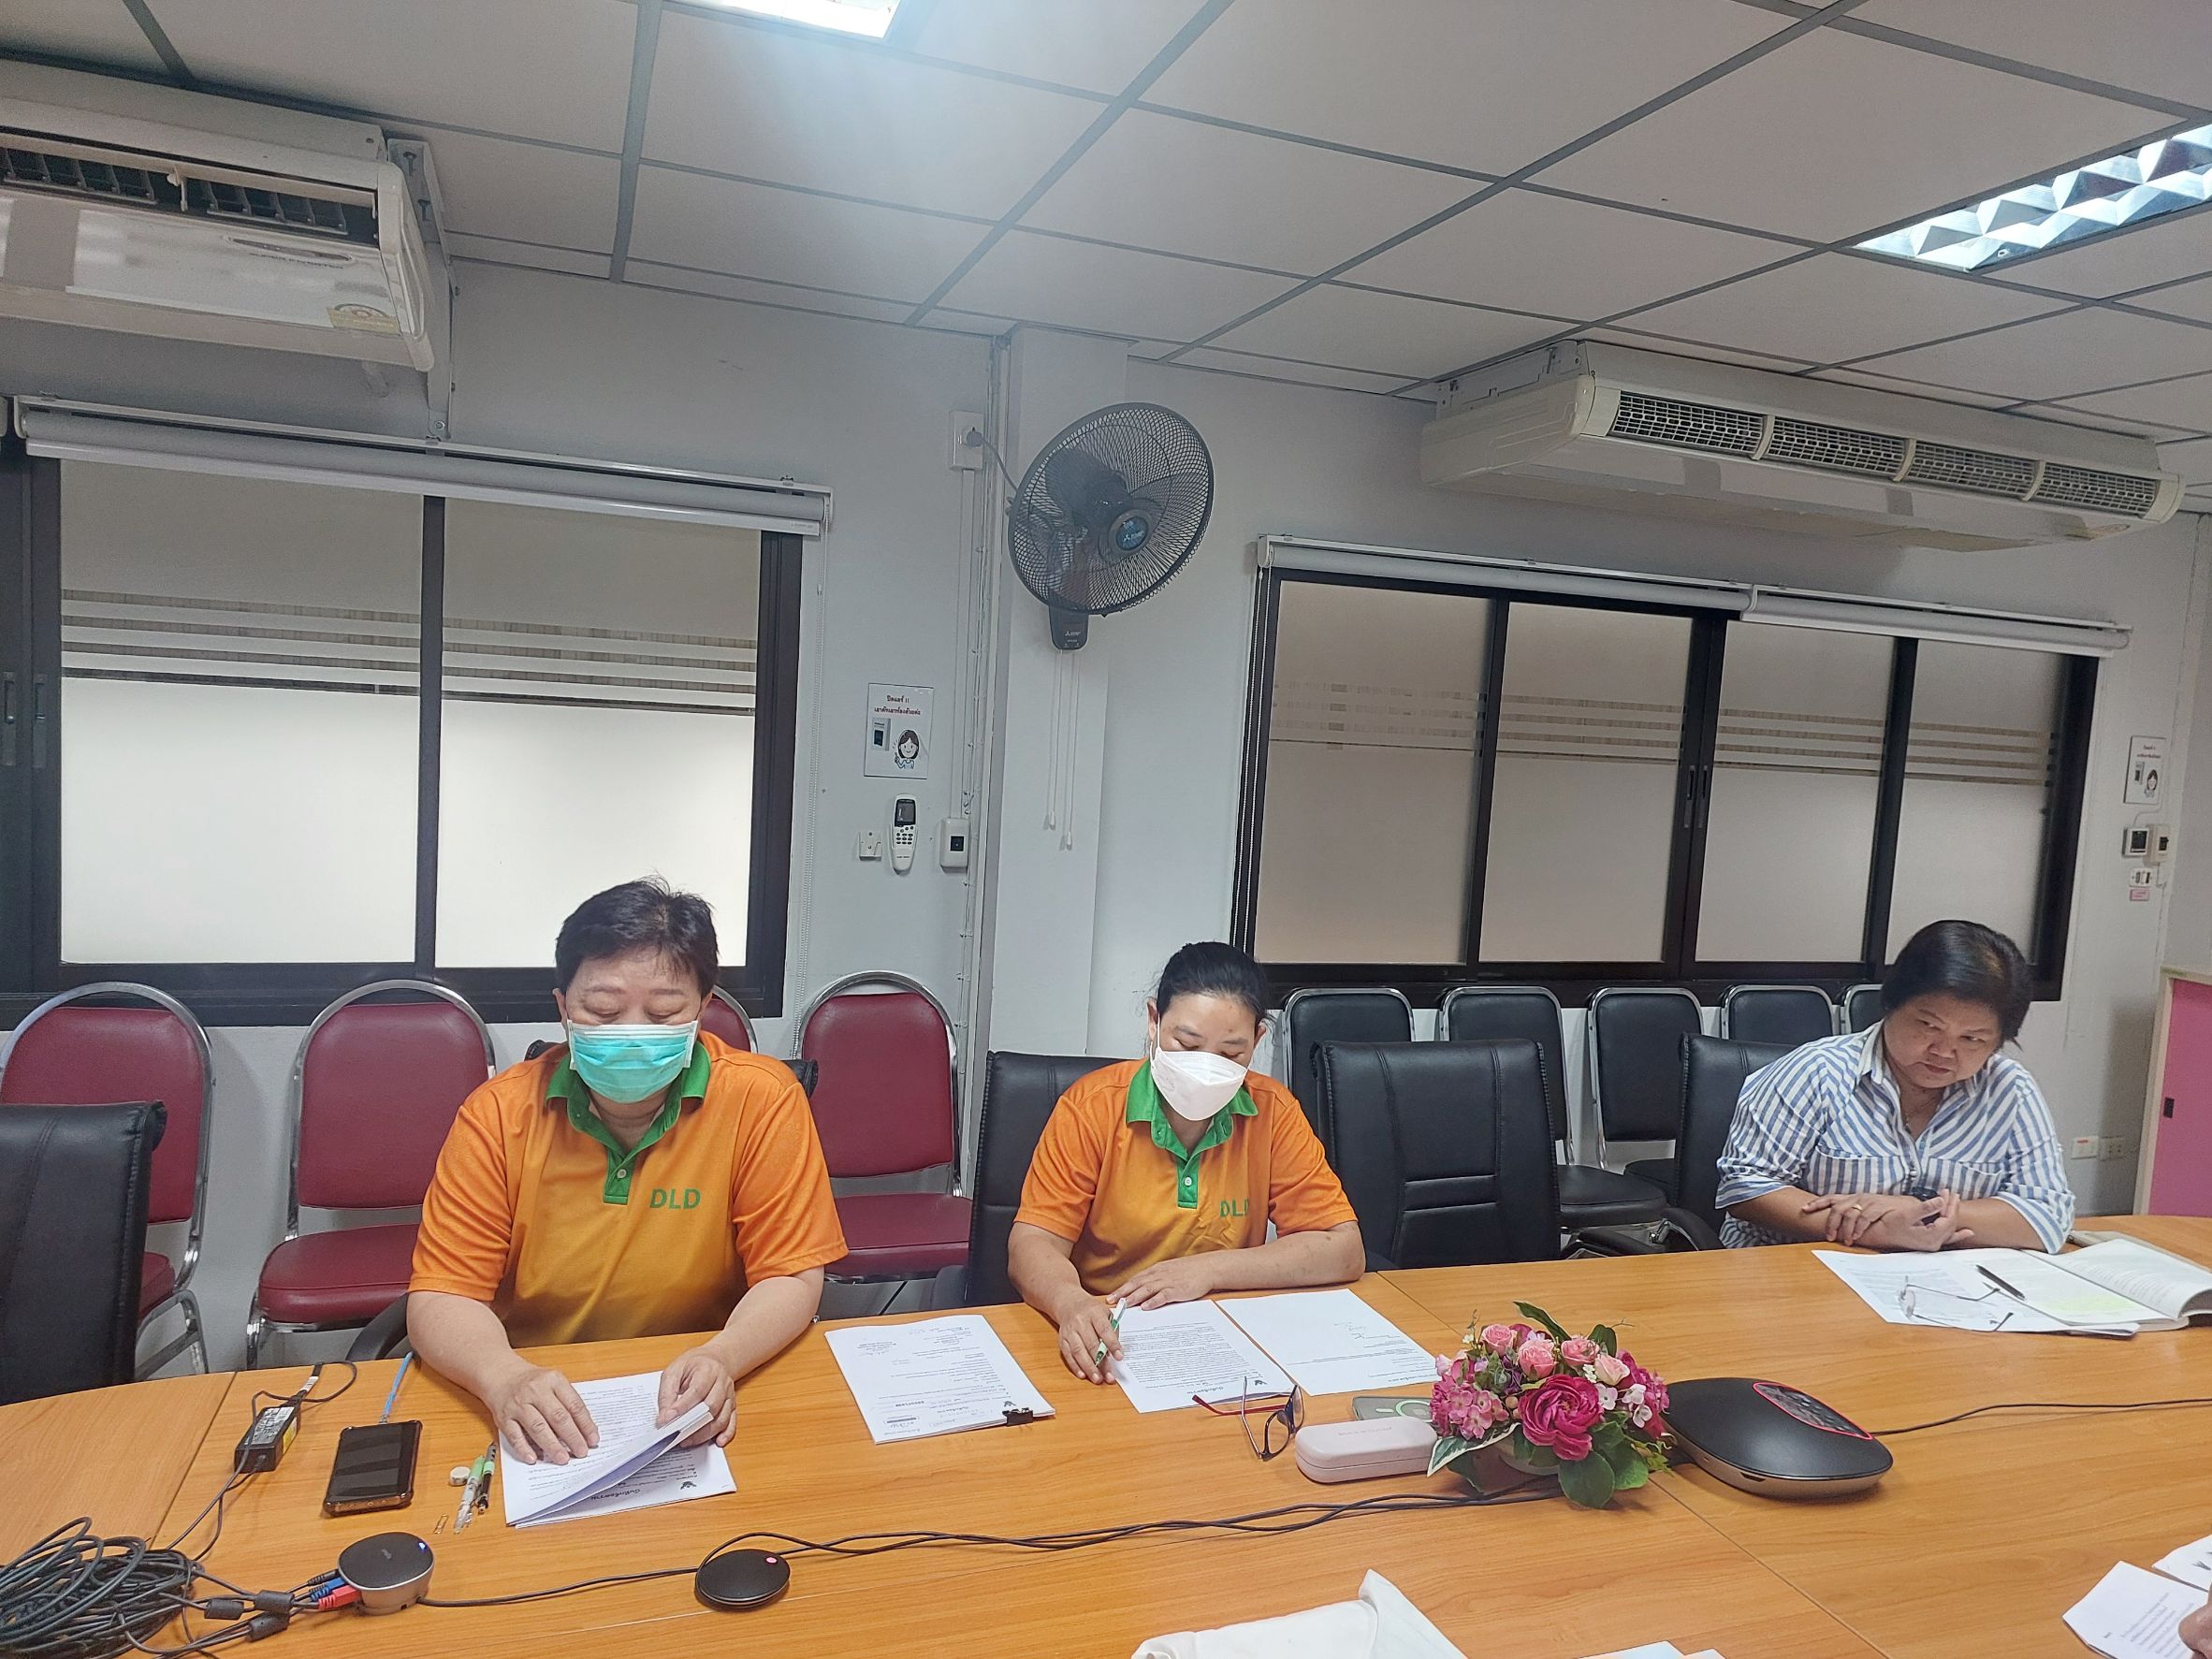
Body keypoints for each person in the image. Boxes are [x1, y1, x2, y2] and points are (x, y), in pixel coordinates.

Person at [408, 880, 846, 1465]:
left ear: (703, 1008)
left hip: (695, 1383)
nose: (632, 1034)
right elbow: (443, 1295)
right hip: (541, 1385)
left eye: (664, 1013)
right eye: (603, 1011)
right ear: (563, 1007)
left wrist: (723, 1357)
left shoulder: (763, 1101)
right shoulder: (498, 1115)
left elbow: (790, 1276)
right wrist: (504, 1377)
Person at [1008, 941, 1364, 1383]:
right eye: (1186, 1043)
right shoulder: (1092, 1107)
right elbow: (1032, 1244)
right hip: (1110, 1332)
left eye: (1230, 1054)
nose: (1205, 1068)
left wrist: (1208, 1270)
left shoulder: (1273, 1110)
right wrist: (1070, 1302)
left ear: (1256, 1041)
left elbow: (1342, 1249)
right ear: (1154, 1021)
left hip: (1225, 1339)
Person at [1715, 919, 2074, 1252]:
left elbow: (2048, 1214)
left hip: (1939, 1282)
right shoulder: (1816, 1073)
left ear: (1998, 1042)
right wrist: (1873, 1229)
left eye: (1971, 1039)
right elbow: (1746, 1187)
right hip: (1798, 1269)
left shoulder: (2010, 1090)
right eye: (1928, 1026)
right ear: (1889, 1003)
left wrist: (1921, 1212)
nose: (1943, 1052)